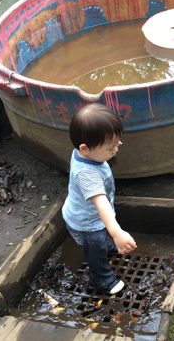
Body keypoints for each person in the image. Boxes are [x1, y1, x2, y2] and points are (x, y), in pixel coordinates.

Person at [62, 103, 137, 294]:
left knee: (102, 236)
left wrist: (110, 144)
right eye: (110, 147)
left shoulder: (82, 153)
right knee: (95, 250)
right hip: (86, 224)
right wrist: (117, 232)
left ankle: (107, 245)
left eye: (116, 143)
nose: (116, 149)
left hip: (88, 214)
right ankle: (102, 278)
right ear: (85, 148)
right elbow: (102, 205)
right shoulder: (87, 174)